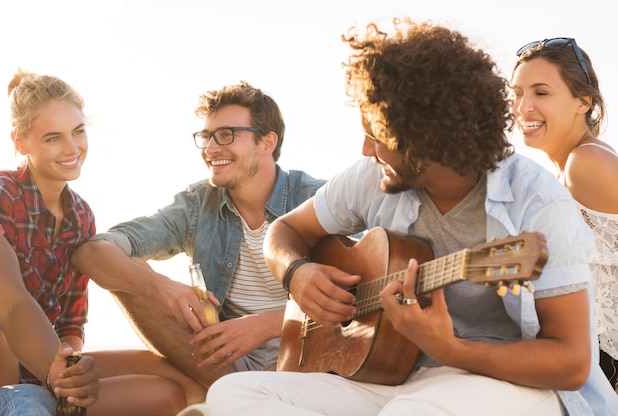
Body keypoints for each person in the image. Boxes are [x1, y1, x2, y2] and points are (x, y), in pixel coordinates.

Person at [184, 17, 618, 416]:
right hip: (393, 378)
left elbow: (572, 362)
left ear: (428, 137)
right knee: (233, 395)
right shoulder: (371, 177)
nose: (366, 150)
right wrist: (296, 272)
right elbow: (286, 230)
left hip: (508, 382)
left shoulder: (537, 202)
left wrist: (451, 350)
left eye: (378, 136)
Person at [71, 81, 326, 390]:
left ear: (267, 143)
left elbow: (364, 288)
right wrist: (161, 288)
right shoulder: (196, 205)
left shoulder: (315, 197)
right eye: (206, 137)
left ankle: (246, 397)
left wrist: (266, 326)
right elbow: (92, 253)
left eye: (226, 135)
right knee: (130, 272)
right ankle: (241, 394)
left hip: (309, 357)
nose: (210, 149)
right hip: (224, 362)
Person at [0, 69, 205, 415]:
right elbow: (7, 311)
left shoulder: (80, 215)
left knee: (181, 385)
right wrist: (51, 377)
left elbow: (72, 321)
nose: (72, 148)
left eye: (78, 132)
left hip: (51, 362)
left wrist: (70, 365)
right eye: (53, 138)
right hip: (6, 361)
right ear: (21, 143)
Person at [511, 37, 618, 394]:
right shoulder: (567, 171)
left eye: (541, 93)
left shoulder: (585, 163)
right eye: (518, 93)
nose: (524, 106)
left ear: (582, 101)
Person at [0, 208, 99, 415]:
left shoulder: (81, 215)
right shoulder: (2, 192)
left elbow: (11, 305)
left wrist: (57, 373)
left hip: (11, 396)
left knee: (31, 402)